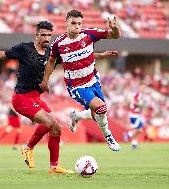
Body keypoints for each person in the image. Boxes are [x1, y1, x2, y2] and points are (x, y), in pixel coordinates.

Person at [0, 21, 117, 173]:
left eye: (49, 35)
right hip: (22, 98)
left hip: (36, 98)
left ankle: (53, 166)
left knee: (56, 128)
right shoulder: (24, 48)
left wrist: (102, 55)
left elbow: (77, 56)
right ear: (36, 35)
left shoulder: (52, 52)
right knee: (50, 122)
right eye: (43, 35)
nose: (46, 38)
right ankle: (28, 147)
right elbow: (0, 54)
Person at [40, 10, 121, 152]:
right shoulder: (58, 44)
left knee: (99, 114)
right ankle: (108, 136)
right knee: (101, 109)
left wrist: (115, 29)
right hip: (77, 86)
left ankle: (76, 115)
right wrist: (45, 80)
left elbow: (114, 36)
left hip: (93, 79)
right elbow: (51, 61)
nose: (76, 26)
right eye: (73, 23)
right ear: (66, 23)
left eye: (79, 23)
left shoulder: (89, 34)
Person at [0, 71, 22, 150]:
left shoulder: (13, 95)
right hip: (14, 113)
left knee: (9, 128)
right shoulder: (12, 96)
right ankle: (14, 144)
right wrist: (17, 113)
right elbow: (11, 104)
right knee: (17, 130)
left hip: (12, 113)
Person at [123, 82, 147, 149]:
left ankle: (134, 145)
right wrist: (141, 104)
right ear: (139, 87)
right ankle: (128, 134)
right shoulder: (138, 94)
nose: (144, 89)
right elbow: (135, 103)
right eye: (143, 87)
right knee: (139, 130)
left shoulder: (139, 94)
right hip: (134, 114)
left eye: (144, 87)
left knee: (138, 129)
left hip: (135, 114)